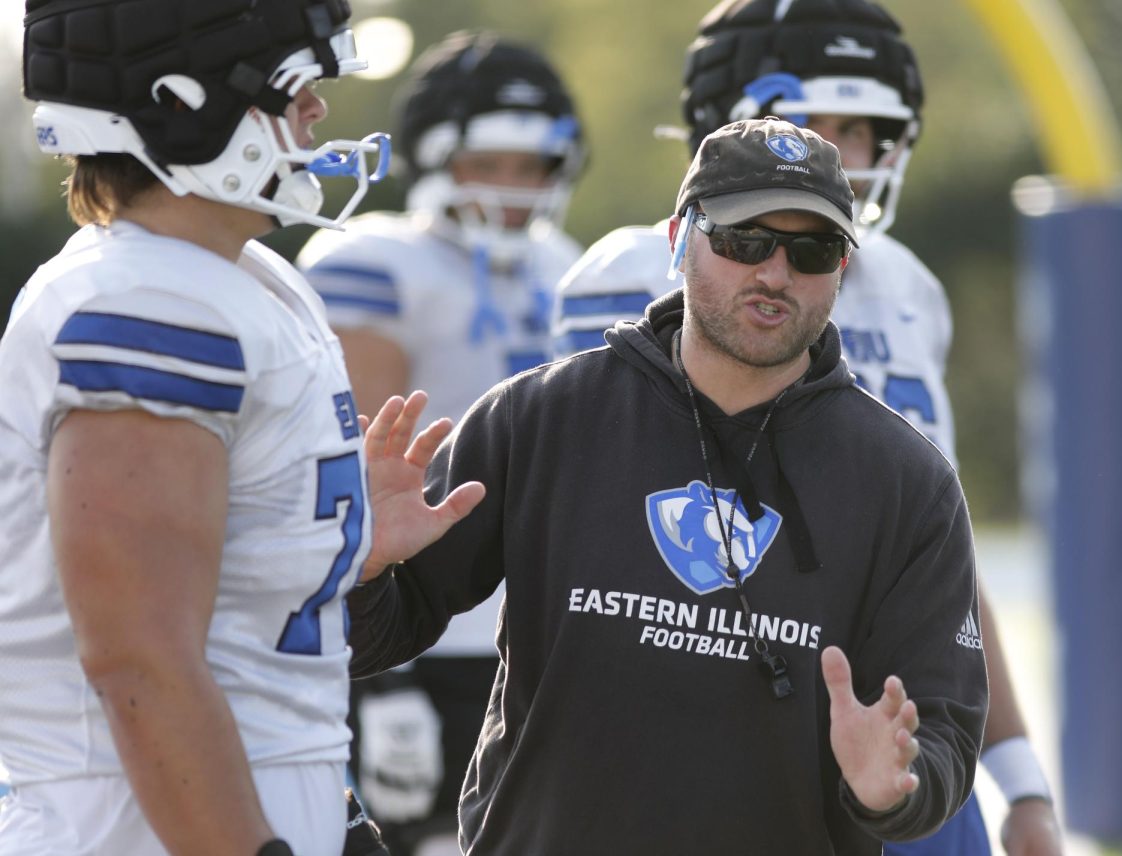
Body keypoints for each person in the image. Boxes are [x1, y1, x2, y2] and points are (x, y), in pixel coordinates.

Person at [347, 116, 988, 854]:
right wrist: (364, 570)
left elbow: (942, 729)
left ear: (843, 266)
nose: (775, 273)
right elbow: (377, 637)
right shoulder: (539, 418)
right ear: (681, 237)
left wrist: (891, 791)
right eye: (744, 240)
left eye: (813, 249)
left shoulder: (909, 482)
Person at [552, 2, 1064, 853]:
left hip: (901, 748)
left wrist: (1021, 782)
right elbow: (599, 555)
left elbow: (944, 562)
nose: (835, 154)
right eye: (804, 121)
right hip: (714, 749)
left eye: (857, 128)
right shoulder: (638, 271)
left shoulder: (909, 291)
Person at [0, 1, 483, 854]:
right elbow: (139, 659)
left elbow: (240, 652)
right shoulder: (147, 301)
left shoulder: (250, 279)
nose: (317, 112)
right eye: (295, 87)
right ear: (181, 102)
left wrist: (328, 543)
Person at [294, 30, 587, 856]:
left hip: (536, 636)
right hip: (414, 625)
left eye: (532, 167)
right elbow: (356, 471)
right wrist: (386, 675)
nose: (513, 188)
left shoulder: (566, 265)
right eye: (491, 161)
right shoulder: (378, 258)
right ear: (434, 155)